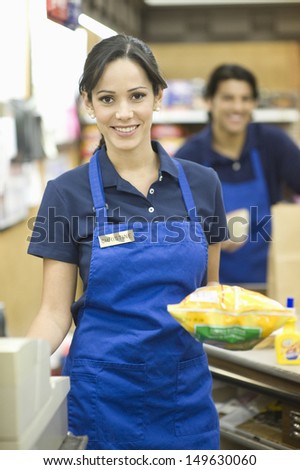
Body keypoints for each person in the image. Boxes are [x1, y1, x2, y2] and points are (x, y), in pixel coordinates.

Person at [26, 34, 228, 450]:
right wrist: (15, 371)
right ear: (88, 103)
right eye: (106, 99)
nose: (123, 114)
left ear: (158, 96)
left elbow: (210, 295)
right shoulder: (67, 193)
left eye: (137, 96)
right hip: (102, 401)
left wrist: (244, 324)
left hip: (183, 397)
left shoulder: (203, 185)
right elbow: (52, 313)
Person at [174, 64, 300, 286]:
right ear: (210, 101)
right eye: (228, 98)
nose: (238, 107)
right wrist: (211, 236)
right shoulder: (189, 156)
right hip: (211, 290)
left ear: (253, 103)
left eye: (245, 99)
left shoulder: (273, 144)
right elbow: (169, 227)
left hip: (272, 283)